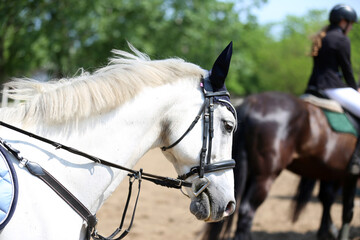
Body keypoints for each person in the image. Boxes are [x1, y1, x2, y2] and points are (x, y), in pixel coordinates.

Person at [305, 4, 360, 175]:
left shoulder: (323, 37)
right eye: (351, 24)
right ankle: (357, 159)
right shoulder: (341, 39)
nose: (351, 28)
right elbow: (347, 69)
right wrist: (355, 88)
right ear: (343, 22)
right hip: (332, 87)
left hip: (313, 86)